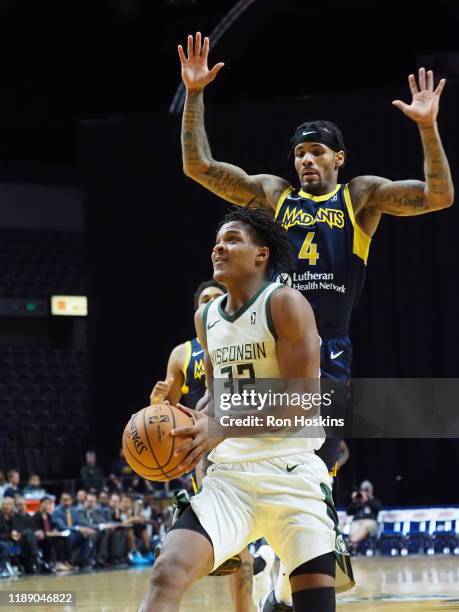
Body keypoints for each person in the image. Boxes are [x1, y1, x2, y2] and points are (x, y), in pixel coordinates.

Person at [178, 32, 454, 611]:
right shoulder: (273, 194)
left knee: (315, 457)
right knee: (235, 439)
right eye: (300, 152)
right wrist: (195, 94)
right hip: (262, 342)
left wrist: (427, 127)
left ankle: (288, 564)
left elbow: (437, 195)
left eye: (317, 152)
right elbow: (198, 165)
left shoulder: (361, 197)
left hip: (326, 353)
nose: (305, 159)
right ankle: (244, 548)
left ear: (338, 159)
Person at [139, 207, 346, 612]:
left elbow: (302, 404)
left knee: (314, 604)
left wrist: (223, 428)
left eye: (232, 239)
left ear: (261, 254)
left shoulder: (286, 303)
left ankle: (280, 588)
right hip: (230, 478)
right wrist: (189, 426)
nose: (219, 246)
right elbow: (216, 396)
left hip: (292, 475)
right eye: (217, 240)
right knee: (166, 573)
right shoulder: (207, 318)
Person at [149, 279, 225, 408]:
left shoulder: (246, 337)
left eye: (218, 297)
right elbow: (167, 410)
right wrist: (156, 403)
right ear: (197, 311)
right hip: (200, 425)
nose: (212, 301)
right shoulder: (182, 353)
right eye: (205, 300)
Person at [346, 480, 382, 547]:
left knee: (365, 527)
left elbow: (378, 507)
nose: (365, 491)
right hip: (357, 522)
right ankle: (352, 548)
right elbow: (348, 512)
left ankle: (350, 541)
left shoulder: (374, 500)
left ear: (371, 490)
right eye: (363, 490)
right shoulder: (357, 501)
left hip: (371, 522)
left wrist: (366, 500)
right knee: (354, 527)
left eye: (367, 489)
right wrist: (354, 501)